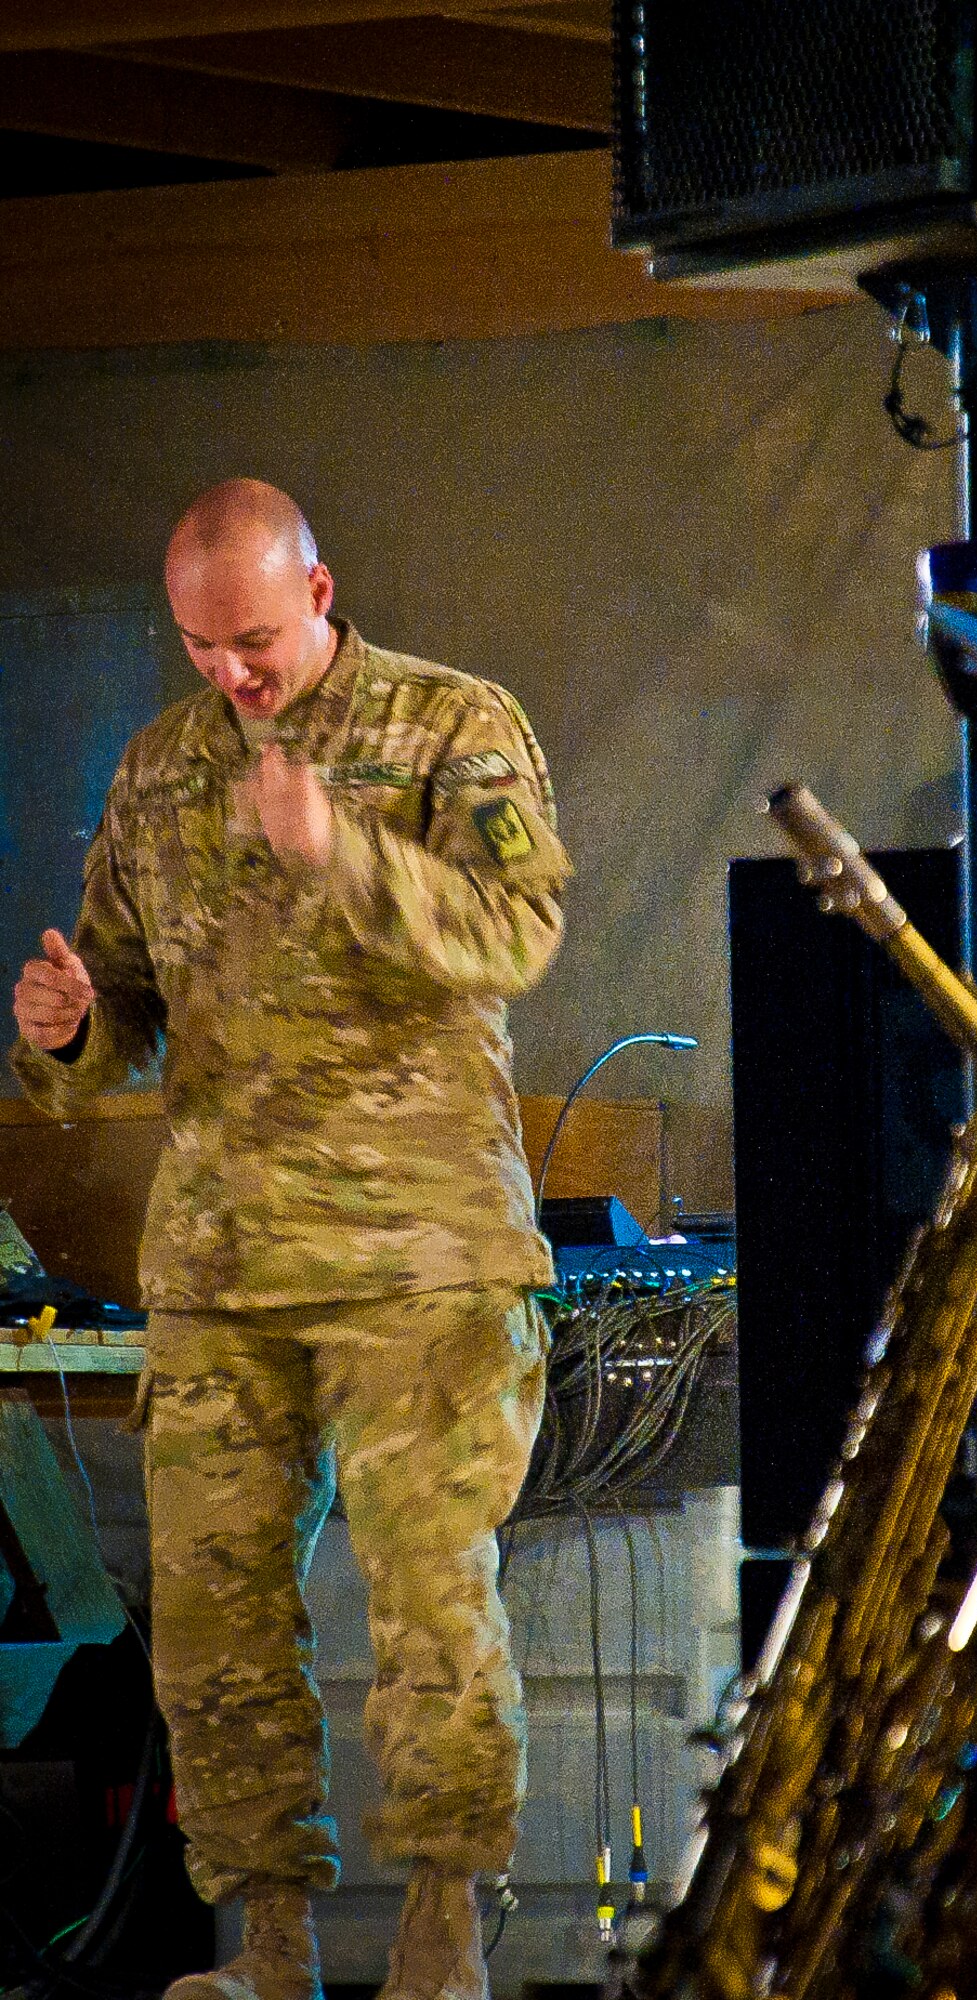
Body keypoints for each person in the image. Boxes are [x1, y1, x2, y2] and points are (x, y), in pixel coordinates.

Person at [10, 479, 572, 2000]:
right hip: (224, 1266)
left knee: (431, 1604)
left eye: (252, 640)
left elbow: (520, 929)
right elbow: (119, 998)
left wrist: (346, 851)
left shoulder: (450, 724)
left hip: (420, 1255)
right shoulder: (158, 766)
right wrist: (65, 1029)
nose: (230, 673)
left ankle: (441, 1938)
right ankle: (267, 1949)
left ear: (318, 593)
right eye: (200, 647)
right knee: (212, 1619)